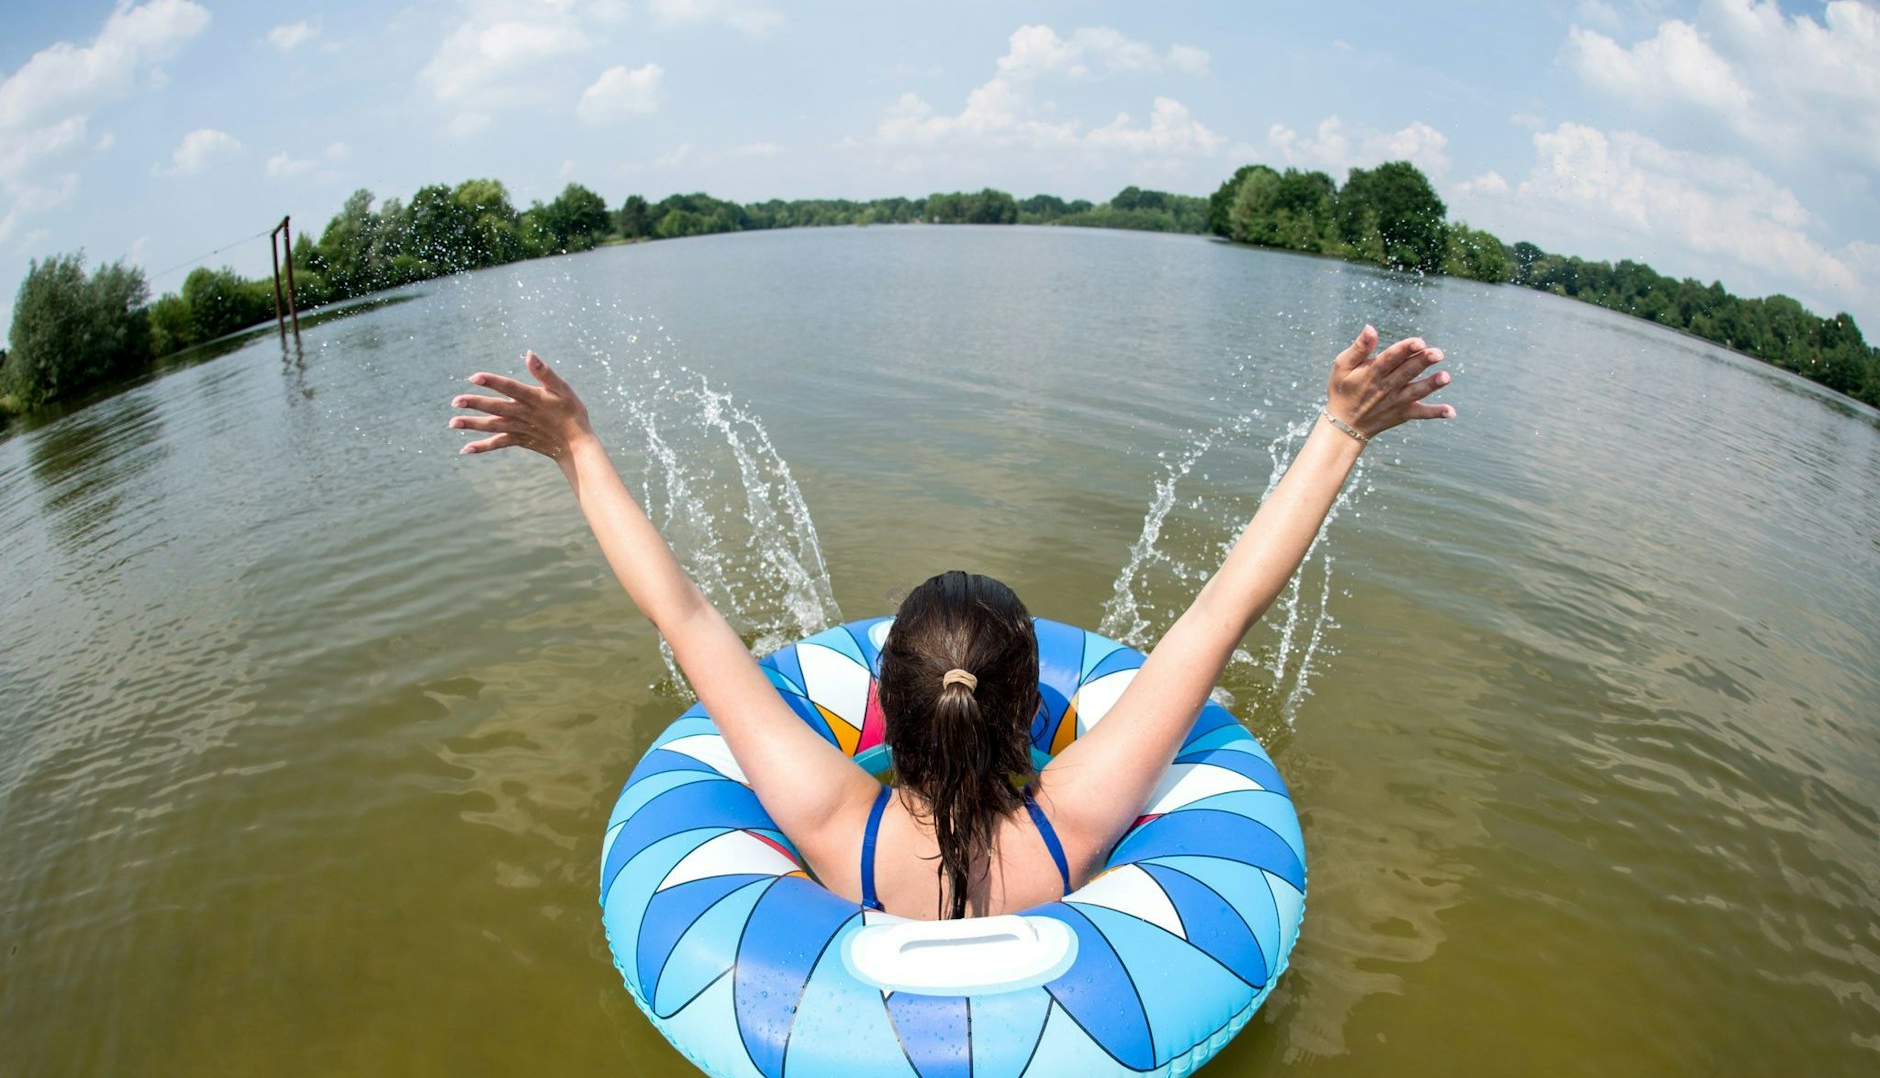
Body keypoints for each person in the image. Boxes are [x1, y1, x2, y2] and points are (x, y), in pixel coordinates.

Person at [449, 325, 1453, 920]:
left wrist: (576, 449)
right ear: (1032, 709)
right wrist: (1340, 429)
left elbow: (684, 612)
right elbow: (1222, 607)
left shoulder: (837, 822)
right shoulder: (1073, 820)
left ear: (882, 709)